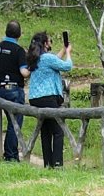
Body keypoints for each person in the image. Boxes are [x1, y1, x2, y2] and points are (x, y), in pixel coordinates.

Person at [26, 30, 73, 169]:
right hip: (48, 97)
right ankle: (57, 163)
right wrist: (69, 52)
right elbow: (66, 66)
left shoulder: (35, 58)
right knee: (58, 130)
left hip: (35, 98)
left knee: (45, 131)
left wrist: (63, 51)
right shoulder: (47, 58)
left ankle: (48, 163)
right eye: (50, 40)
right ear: (45, 44)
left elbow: (54, 61)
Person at [0, 21, 29, 162]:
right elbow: (23, 72)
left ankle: (7, 152)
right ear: (19, 34)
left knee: (11, 122)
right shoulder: (19, 50)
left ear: (6, 31)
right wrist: (32, 67)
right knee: (15, 123)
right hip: (15, 90)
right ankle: (11, 155)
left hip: (1, 90)